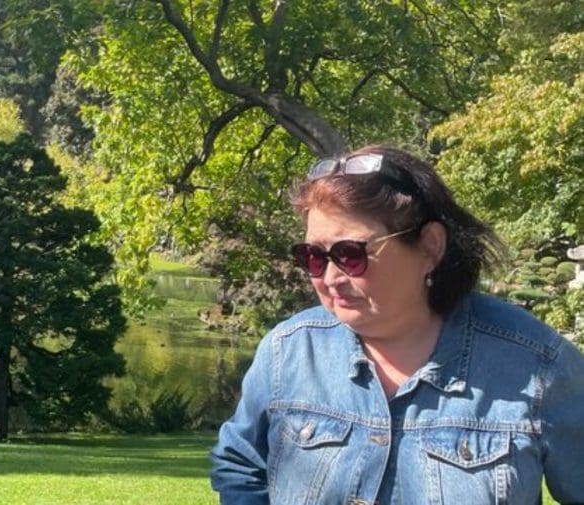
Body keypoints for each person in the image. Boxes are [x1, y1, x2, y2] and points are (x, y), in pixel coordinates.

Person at [209, 145, 584, 504]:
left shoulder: (537, 366)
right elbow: (241, 465)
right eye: (314, 257)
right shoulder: (289, 352)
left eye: (350, 254)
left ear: (430, 247)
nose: (331, 277)